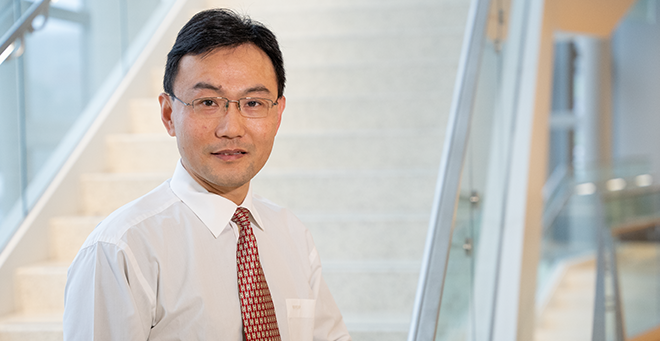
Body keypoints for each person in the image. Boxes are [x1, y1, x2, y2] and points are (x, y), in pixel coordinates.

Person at [63, 8, 351, 341]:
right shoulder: (121, 250)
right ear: (169, 114)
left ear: (278, 114)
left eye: (253, 103)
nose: (231, 128)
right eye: (208, 102)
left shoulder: (293, 236)